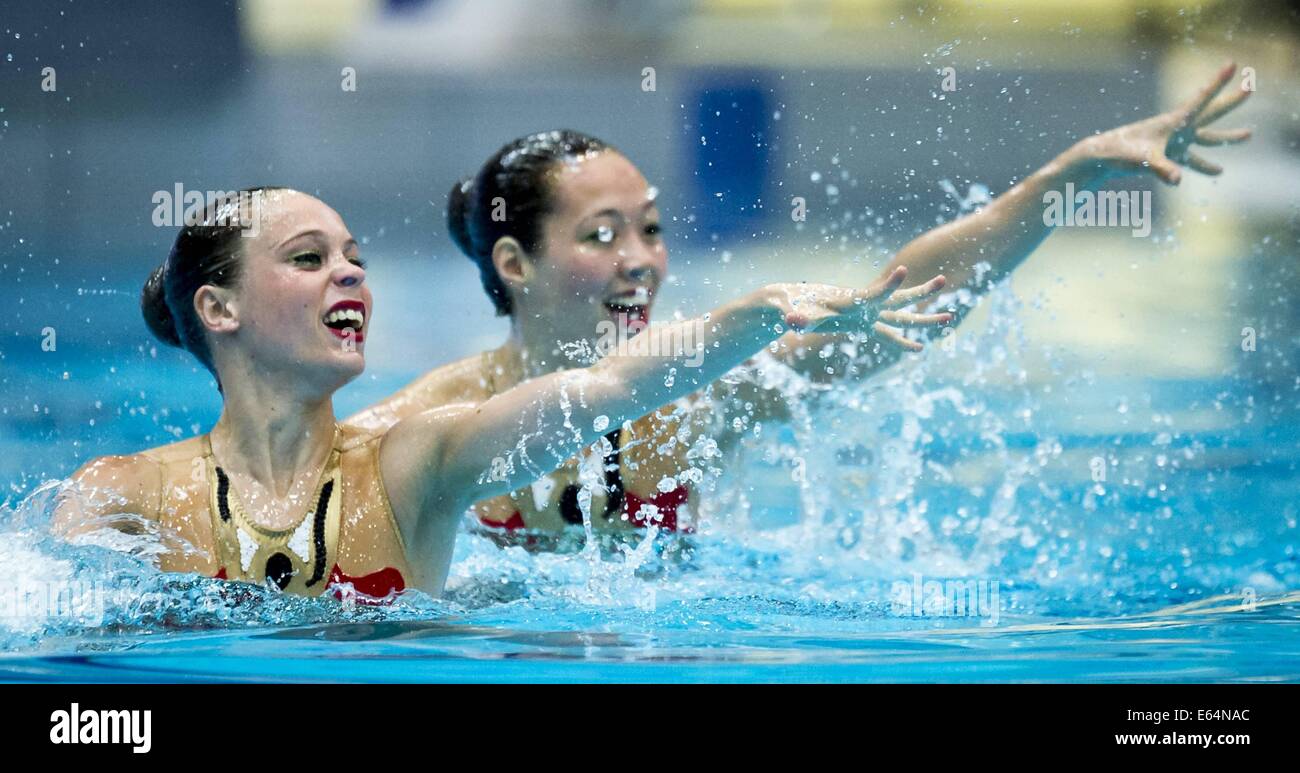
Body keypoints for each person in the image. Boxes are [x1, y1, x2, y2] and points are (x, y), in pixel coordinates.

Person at [346, 63, 1252, 537]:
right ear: (515, 261)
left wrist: (1071, 173)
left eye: (652, 229)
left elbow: (908, 301)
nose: (641, 263)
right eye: (601, 235)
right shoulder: (428, 424)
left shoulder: (700, 399)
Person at [52, 187, 948, 598]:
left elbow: (603, 385)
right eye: (310, 259)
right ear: (219, 307)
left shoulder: (419, 461)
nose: (351, 277)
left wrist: (755, 315)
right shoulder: (124, 492)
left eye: (356, 259)